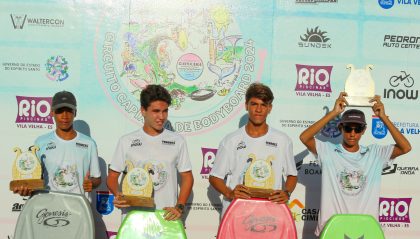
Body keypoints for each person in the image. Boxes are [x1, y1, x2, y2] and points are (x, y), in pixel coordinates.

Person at [299, 92, 412, 236]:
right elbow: (304, 137)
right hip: (332, 229)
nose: (352, 133)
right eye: (348, 128)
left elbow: (405, 147)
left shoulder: (375, 154)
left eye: (357, 129)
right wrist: (334, 113)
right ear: (340, 128)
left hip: (366, 230)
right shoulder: (327, 150)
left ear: (363, 130)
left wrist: (383, 117)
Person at [209, 82, 298, 216]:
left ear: (270, 108)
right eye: (254, 104)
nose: (258, 109)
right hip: (237, 213)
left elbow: (292, 175)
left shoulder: (282, 140)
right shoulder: (231, 140)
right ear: (246, 106)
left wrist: (287, 193)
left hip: (270, 214)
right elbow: (215, 177)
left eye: (263, 105)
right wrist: (229, 193)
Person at [107, 84, 193, 221]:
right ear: (143, 110)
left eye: (165, 111)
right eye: (156, 111)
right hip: (134, 216)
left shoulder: (177, 140)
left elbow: (187, 177)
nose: (161, 117)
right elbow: (112, 176)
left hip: (166, 216)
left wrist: (180, 206)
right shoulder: (126, 141)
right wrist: (118, 194)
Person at [12, 90, 101, 196]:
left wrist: (92, 183)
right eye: (59, 111)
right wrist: (26, 188)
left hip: (78, 207)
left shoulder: (89, 143)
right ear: (52, 112)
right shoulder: (40, 142)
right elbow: (35, 179)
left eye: (69, 110)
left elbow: (97, 178)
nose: (64, 116)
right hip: (48, 207)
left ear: (75, 113)